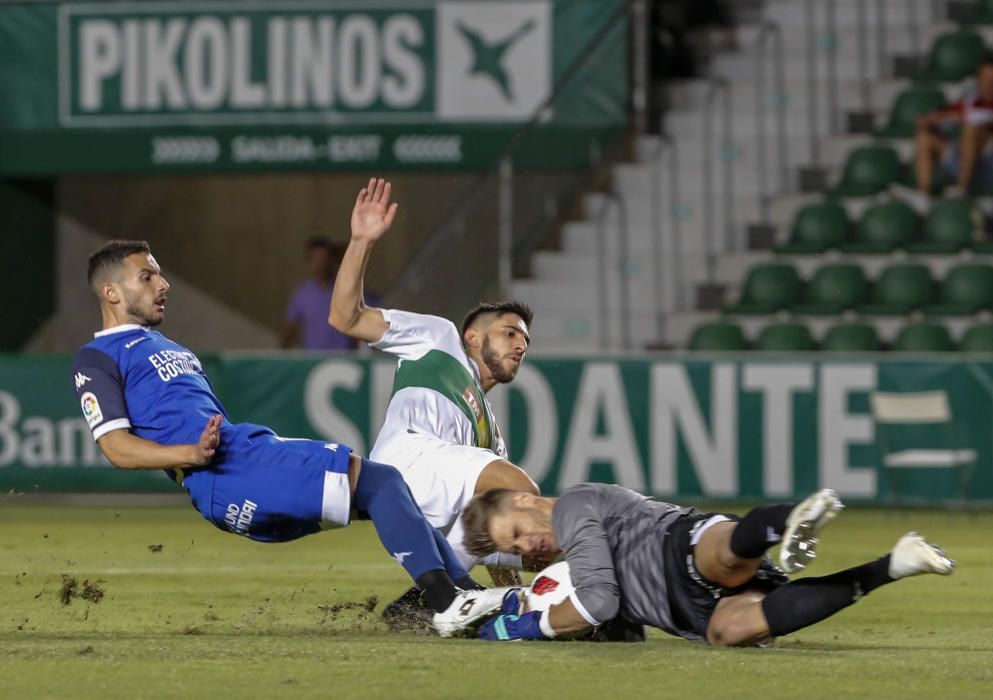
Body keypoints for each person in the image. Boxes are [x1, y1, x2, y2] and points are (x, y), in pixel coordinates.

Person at [70, 239, 510, 637]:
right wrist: (189, 454)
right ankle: (451, 601)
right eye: (147, 276)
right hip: (230, 471)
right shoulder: (98, 357)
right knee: (383, 482)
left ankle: (461, 600)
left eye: (160, 273)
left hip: (234, 472)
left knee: (386, 493)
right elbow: (116, 447)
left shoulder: (172, 348)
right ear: (111, 292)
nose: (162, 283)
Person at [328, 178, 541, 625]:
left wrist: (520, 602)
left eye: (525, 340)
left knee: (534, 541)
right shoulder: (438, 339)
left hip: (428, 508)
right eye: (510, 332)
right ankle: (433, 598)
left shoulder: (490, 436)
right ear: (473, 336)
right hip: (408, 458)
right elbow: (344, 317)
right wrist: (362, 242)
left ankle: (420, 605)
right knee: (525, 496)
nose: (520, 345)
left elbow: (498, 546)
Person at [461, 485, 956, 644]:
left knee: (721, 560)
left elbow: (599, 600)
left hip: (673, 547)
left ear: (525, 498)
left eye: (518, 531)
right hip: (687, 612)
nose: (530, 545)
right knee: (735, 629)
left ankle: (790, 520)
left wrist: (525, 626)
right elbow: (616, 615)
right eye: (519, 548)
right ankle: (894, 564)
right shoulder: (571, 547)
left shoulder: (571, 508)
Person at [279, 238, 380, 350]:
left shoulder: (347, 289)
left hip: (345, 359)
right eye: (316, 259)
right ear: (308, 261)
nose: (321, 264)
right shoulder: (303, 293)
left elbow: (371, 321)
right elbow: (290, 326)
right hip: (313, 361)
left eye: (324, 259)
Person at [914, 57, 993, 198]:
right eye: (985, 79)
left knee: (971, 128)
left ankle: (961, 188)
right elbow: (932, 118)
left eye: (992, 80)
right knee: (924, 138)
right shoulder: (969, 101)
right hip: (962, 159)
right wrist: (933, 119)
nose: (988, 85)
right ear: (979, 79)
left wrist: (961, 118)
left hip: (988, 165)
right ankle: (923, 197)